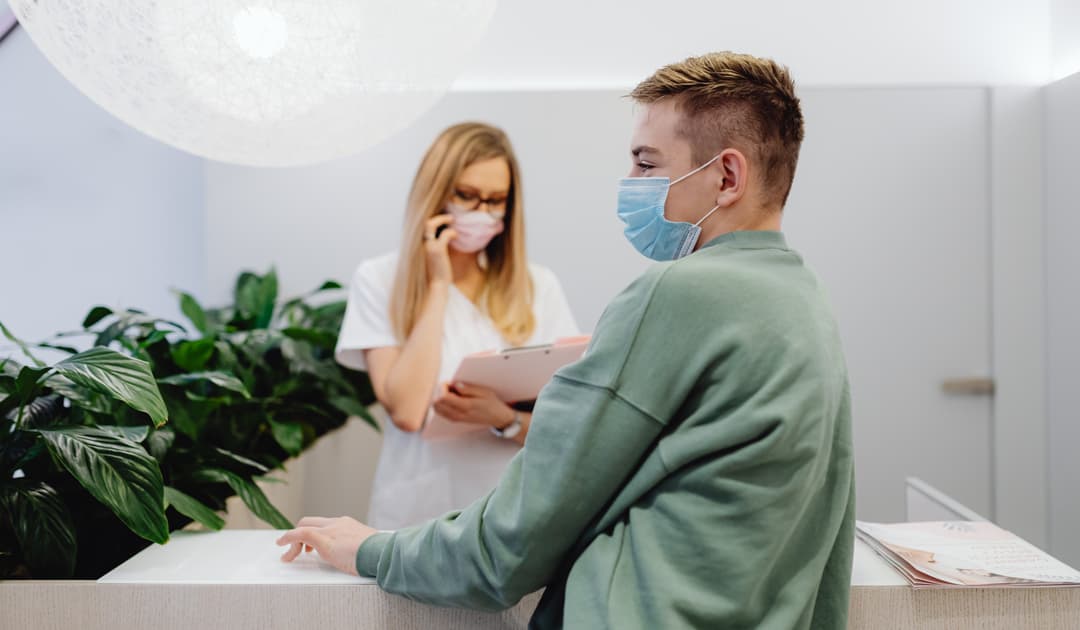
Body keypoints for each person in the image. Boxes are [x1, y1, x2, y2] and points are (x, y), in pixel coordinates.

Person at [280, 52, 856, 629]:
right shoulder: (806, 301)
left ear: (727, 176)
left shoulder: (672, 293)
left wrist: (369, 549)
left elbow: (511, 544)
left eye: (646, 164)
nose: (632, 184)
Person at [333, 122, 579, 530]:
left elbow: (568, 424)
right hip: (418, 515)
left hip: (513, 513)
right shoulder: (378, 279)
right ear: (436, 193)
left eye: (496, 200)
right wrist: (439, 285)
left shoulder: (538, 286)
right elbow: (409, 412)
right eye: (466, 195)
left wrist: (502, 418)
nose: (481, 212)